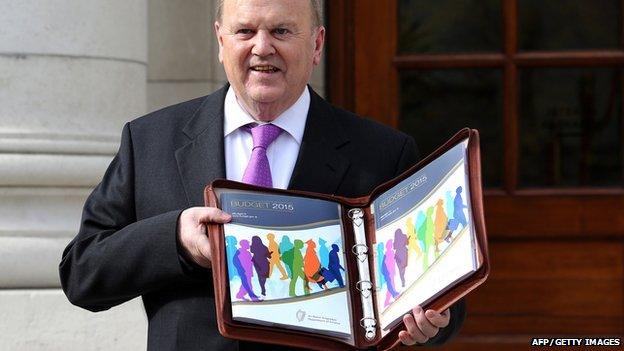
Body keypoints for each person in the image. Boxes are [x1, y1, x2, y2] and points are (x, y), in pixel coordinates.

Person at [59, 0, 465, 349]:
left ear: (317, 44)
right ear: (221, 41)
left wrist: (433, 320)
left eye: (282, 30)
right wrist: (177, 240)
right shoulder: (149, 140)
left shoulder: (382, 151)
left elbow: (442, 293)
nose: (262, 47)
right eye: (245, 31)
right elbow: (82, 273)